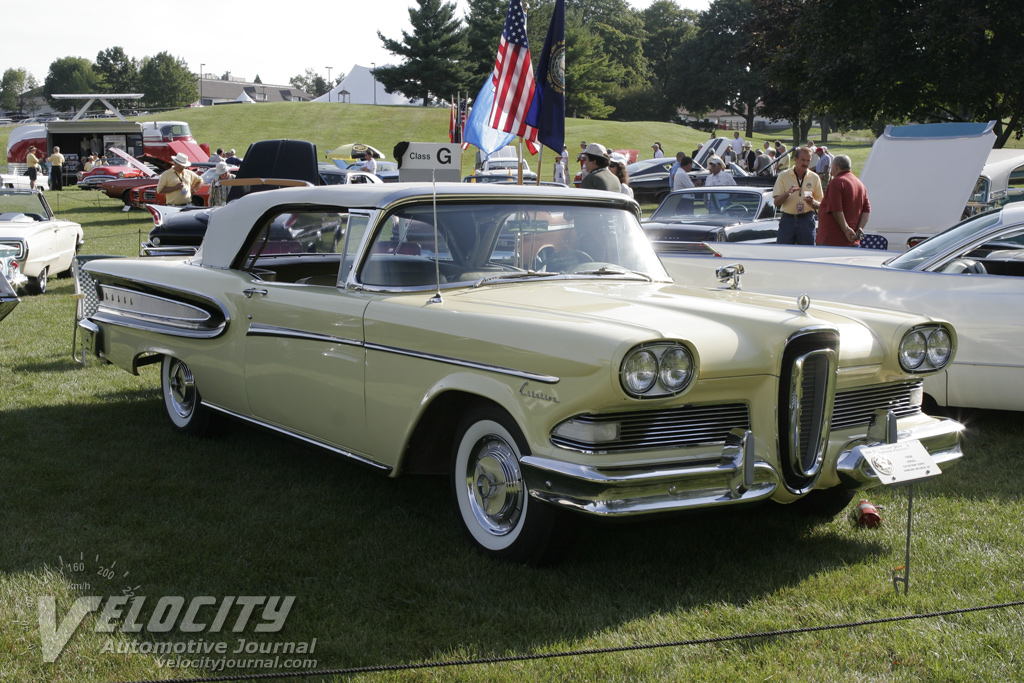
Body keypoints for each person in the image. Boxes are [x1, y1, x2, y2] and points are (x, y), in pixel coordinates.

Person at [772, 146, 823, 245]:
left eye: (808, 161)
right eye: (803, 160)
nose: (805, 164)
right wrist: (787, 194)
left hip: (806, 220)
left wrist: (813, 203)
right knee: (783, 253)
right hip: (787, 220)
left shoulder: (814, 177)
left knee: (807, 254)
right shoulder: (784, 175)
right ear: (795, 159)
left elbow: (822, 204)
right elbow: (776, 202)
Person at [817, 154, 870, 247]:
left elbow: (836, 209)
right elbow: (867, 210)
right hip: (853, 240)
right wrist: (860, 228)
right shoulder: (859, 183)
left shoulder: (837, 182)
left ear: (836, 166)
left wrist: (846, 229)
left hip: (833, 240)